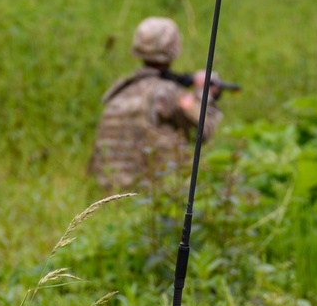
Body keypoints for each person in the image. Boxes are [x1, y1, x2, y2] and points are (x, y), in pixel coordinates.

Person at [88, 16, 223, 191]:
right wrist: (204, 94)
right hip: (148, 196)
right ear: (174, 48)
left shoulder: (119, 91)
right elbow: (203, 131)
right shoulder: (167, 93)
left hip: (105, 193)